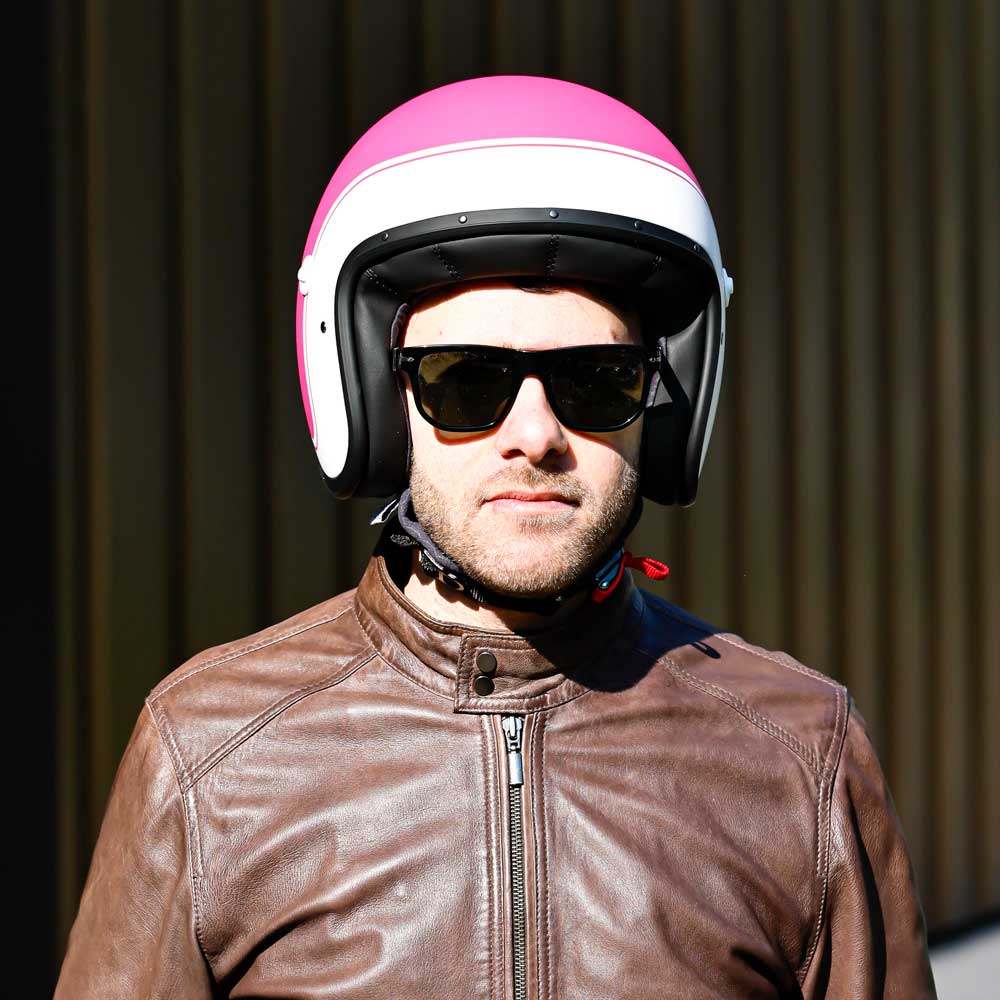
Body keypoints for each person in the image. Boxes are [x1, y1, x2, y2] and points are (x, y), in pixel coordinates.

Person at [56, 75, 936, 998]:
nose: (536, 433)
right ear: (379, 402)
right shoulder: (211, 751)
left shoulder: (798, 753)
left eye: (597, 378)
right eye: (464, 379)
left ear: (660, 408)